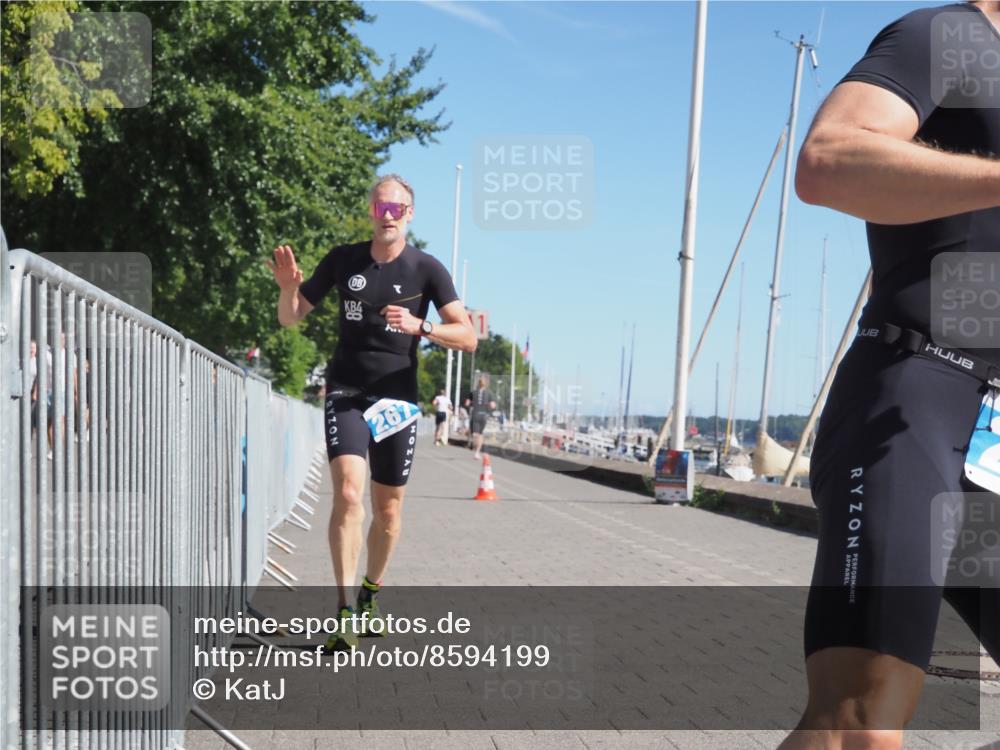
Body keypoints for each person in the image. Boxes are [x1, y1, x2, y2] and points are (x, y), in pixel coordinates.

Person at [782, 3, 1000, 748]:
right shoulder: (950, 36)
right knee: (860, 723)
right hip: (918, 394)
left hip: (993, 440)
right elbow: (829, 158)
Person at [267, 174, 477, 651]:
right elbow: (291, 315)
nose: (388, 216)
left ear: (410, 215)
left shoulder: (428, 269)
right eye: (381, 207)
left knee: (389, 510)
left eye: (397, 209)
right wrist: (286, 289)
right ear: (370, 210)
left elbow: (468, 336)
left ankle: (369, 595)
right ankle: (342, 610)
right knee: (346, 492)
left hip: (398, 399)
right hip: (346, 390)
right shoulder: (344, 259)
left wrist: (423, 326)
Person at [468, 375, 496, 460]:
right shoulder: (489, 393)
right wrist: (489, 405)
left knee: (475, 434)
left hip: (475, 414)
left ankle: (475, 449)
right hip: (484, 415)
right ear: (486, 384)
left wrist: (472, 403)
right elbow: (493, 405)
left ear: (478, 383)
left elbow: (467, 403)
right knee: (480, 434)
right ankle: (477, 452)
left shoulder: (473, 392)